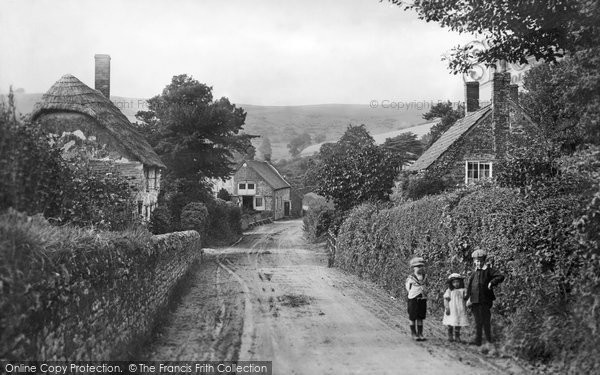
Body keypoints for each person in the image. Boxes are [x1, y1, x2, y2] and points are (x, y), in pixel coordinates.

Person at [466, 248, 505, 346]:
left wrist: (492, 282)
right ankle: (478, 341)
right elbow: (470, 286)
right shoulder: (474, 273)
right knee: (477, 321)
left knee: (486, 320)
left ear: (484, 260)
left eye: (480, 261)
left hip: (485, 300)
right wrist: (468, 298)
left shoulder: (488, 271)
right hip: (475, 301)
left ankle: (489, 340)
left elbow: (500, 276)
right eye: (476, 261)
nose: (478, 263)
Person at [406, 256, 427, 341]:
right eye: (418, 267)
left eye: (421, 266)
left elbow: (426, 285)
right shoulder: (411, 278)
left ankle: (420, 333)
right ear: (413, 268)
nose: (420, 268)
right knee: (412, 316)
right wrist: (413, 293)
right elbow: (408, 287)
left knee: (420, 316)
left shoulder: (425, 276)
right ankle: (413, 333)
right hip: (413, 298)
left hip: (422, 299)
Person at [443, 273, 469, 343]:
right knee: (451, 322)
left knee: (458, 322)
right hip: (452, 309)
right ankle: (450, 335)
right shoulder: (449, 290)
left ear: (460, 282)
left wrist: (467, 299)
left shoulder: (463, 290)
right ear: (451, 283)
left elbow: (466, 298)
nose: (456, 284)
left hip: (460, 309)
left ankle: (457, 336)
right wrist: (447, 308)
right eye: (454, 282)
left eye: (457, 282)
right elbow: (446, 299)